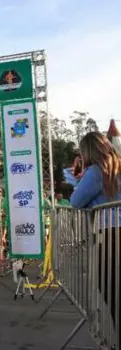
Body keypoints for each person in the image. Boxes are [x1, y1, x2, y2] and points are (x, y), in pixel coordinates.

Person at [70, 131, 121, 348]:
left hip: (109, 235)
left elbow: (75, 201)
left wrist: (75, 180)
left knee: (112, 292)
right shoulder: (118, 167)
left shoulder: (96, 172)